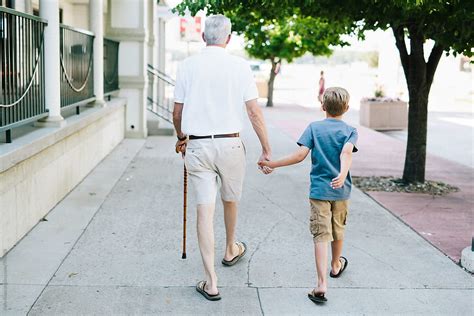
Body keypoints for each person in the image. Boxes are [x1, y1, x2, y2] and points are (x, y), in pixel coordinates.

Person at [173, 15, 272, 301]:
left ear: (204, 37)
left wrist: (181, 137)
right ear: (228, 38)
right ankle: (230, 248)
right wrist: (266, 148)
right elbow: (254, 112)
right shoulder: (239, 66)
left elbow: (177, 112)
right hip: (230, 145)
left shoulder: (187, 65)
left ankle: (211, 281)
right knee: (231, 199)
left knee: (205, 209)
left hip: (198, 146)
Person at [259, 87, 358, 304]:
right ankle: (335, 265)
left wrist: (272, 164)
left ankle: (321, 283)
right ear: (347, 108)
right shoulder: (350, 130)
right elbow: (346, 152)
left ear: (323, 106)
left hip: (319, 191)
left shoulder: (314, 128)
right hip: (341, 190)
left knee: (321, 235)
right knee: (337, 229)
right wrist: (342, 175)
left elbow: (299, 155)